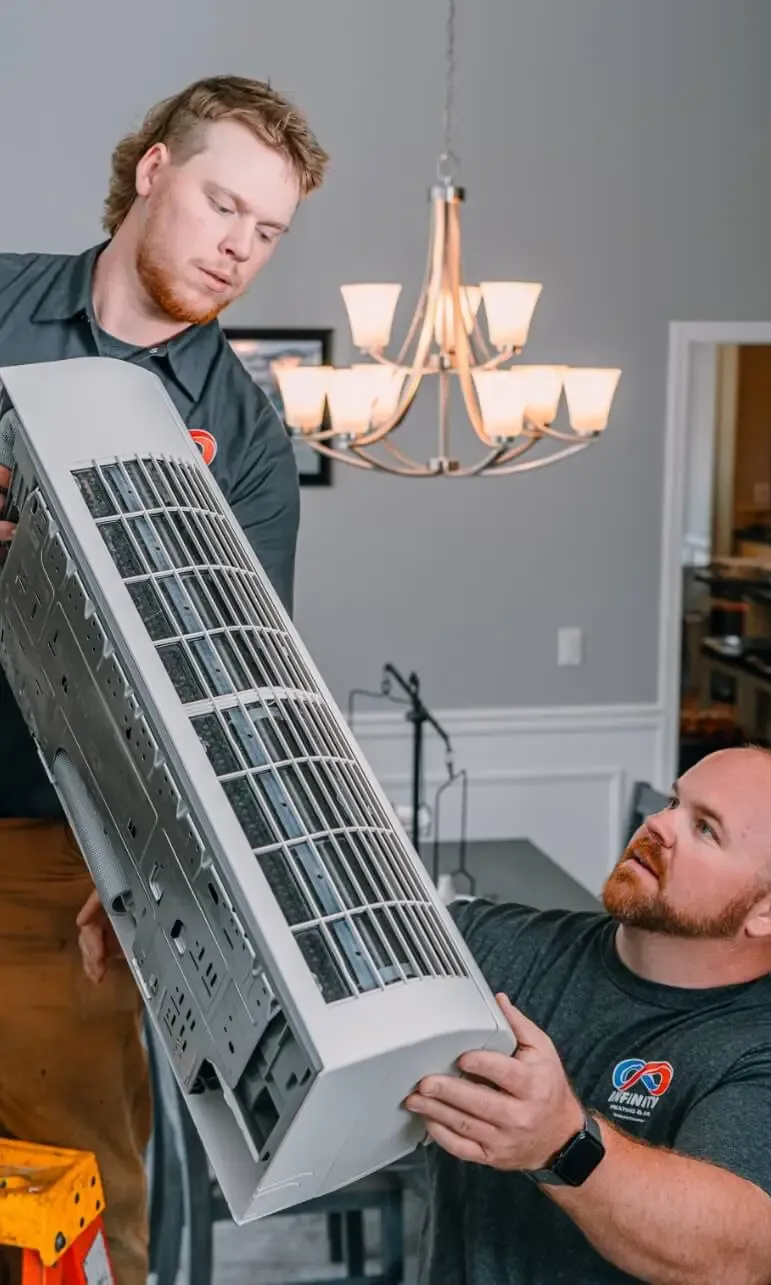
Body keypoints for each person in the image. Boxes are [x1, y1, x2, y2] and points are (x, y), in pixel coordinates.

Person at [0, 75, 328, 1285]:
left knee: (76, 1192)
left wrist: (159, 864)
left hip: (53, 860)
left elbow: (238, 693)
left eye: (267, 229)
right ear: (152, 172)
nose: (241, 246)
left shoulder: (240, 435)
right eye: (223, 204)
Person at [406, 745, 771, 1285]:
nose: (659, 824)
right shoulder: (488, 944)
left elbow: (735, 1259)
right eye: (673, 801)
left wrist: (563, 1144)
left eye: (706, 829)